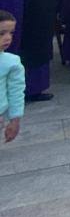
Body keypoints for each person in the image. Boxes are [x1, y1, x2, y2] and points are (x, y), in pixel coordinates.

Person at [0, 9, 25, 142]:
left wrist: (15, 120)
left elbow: (16, 91)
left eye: (11, 33)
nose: (8, 37)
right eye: (1, 33)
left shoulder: (12, 62)